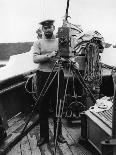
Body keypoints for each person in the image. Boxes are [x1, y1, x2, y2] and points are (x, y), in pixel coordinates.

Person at [32, 19, 66, 147]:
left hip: (58, 75)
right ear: (42, 29)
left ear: (54, 28)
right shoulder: (38, 42)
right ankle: (44, 136)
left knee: (58, 104)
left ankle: (59, 134)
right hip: (42, 75)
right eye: (45, 28)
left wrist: (70, 60)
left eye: (49, 27)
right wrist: (49, 55)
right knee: (43, 106)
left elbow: (67, 56)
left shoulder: (60, 42)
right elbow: (35, 59)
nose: (47, 30)